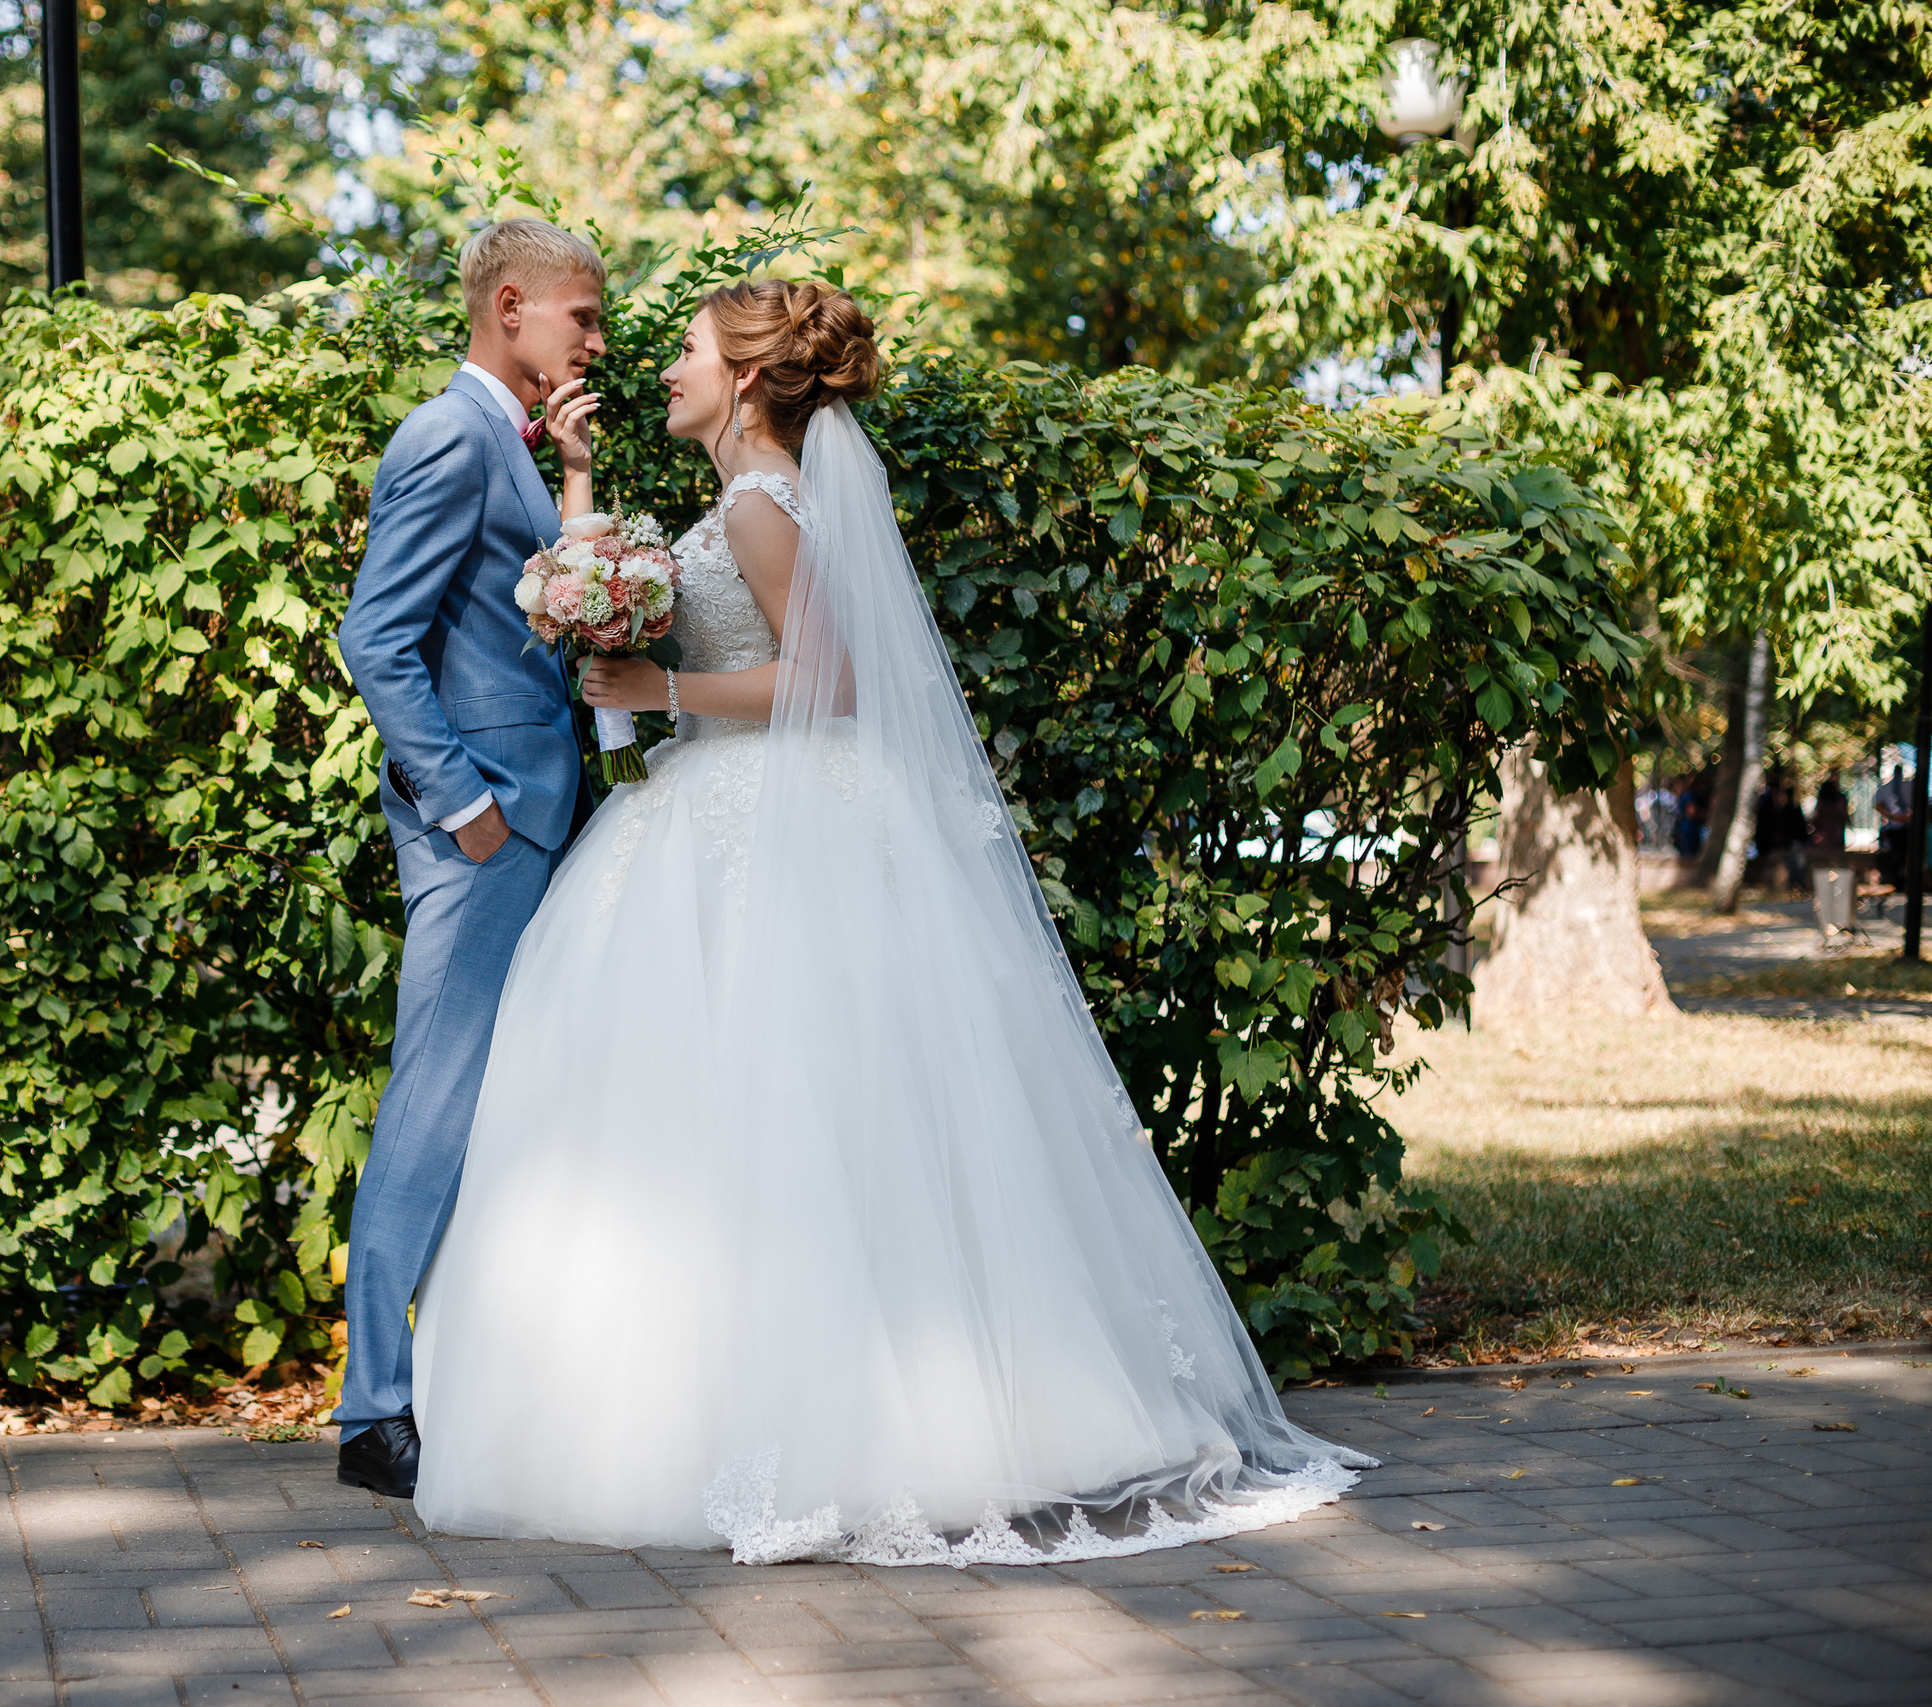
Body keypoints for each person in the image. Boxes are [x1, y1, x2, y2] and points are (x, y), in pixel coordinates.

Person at [407, 282, 1371, 1566]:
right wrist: (581, 495)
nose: (665, 371)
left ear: (747, 379)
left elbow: (831, 679)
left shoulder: (757, 501)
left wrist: (666, 683)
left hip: (766, 815)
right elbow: (644, 626)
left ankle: (827, 1428)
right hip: (726, 802)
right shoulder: (739, 496)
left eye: (688, 352)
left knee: (780, 1117)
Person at [328, 217, 607, 1499]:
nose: (598, 340)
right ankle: (372, 1415)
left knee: (497, 1098)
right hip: (485, 821)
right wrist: (462, 805)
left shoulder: (512, 436)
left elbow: (510, 611)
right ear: (511, 306)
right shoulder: (445, 432)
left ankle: (455, 1380)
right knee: (433, 1102)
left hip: (537, 808)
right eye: (583, 319)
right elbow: (376, 638)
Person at [1876, 767, 1915, 887]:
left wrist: (1907, 817)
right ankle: (1898, 880)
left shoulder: (1909, 786)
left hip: (1908, 826)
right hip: (1894, 827)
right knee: (1896, 854)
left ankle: (1906, 880)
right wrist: (1893, 817)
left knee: (1907, 854)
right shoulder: (1886, 788)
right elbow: (1879, 805)